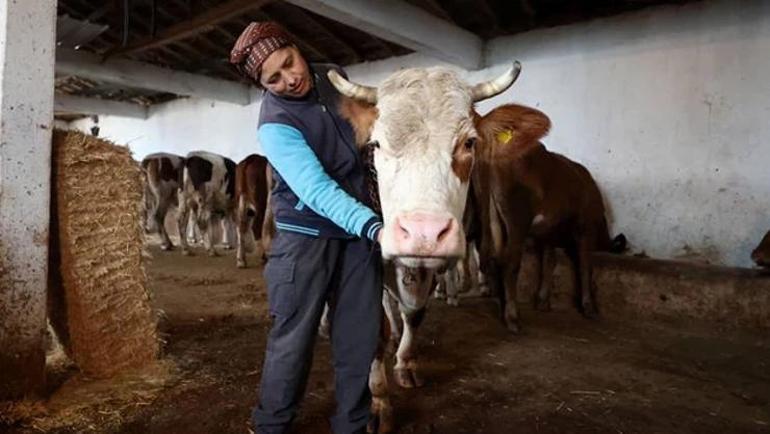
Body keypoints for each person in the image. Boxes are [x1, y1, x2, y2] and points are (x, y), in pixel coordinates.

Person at [230, 22, 383, 434]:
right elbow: (315, 189)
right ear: (262, 86)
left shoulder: (336, 78)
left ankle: (351, 424)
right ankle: (271, 426)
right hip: (306, 235)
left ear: (296, 47)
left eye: (289, 63)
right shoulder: (274, 122)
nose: (290, 79)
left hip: (358, 234)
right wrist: (374, 227)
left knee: (359, 334)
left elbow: (371, 133)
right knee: (293, 336)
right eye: (273, 79)